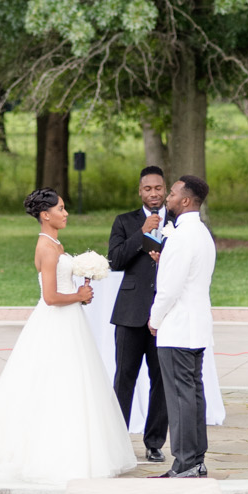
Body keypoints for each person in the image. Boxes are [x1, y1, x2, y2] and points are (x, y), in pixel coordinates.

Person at [0, 188, 136, 485]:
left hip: (69, 320)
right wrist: (77, 294)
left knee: (72, 383)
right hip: (56, 321)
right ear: (45, 214)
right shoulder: (47, 248)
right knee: (53, 383)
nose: (65, 213)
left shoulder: (55, 243)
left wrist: (80, 294)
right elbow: (50, 296)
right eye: (61, 209)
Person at [149, 173, 216, 478]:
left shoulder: (179, 237)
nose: (168, 197)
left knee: (180, 397)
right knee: (193, 395)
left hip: (177, 327)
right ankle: (196, 459)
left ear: (186, 200)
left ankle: (185, 462)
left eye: (173, 193)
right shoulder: (201, 233)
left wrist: (154, 319)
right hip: (197, 325)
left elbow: (169, 288)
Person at [106, 166, 170, 463]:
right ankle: (116, 441)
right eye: (148, 189)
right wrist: (141, 233)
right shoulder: (124, 221)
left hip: (166, 314)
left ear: (165, 189)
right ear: (140, 191)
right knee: (124, 377)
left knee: (161, 380)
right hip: (130, 313)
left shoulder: (181, 223)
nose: (154, 194)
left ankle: (154, 442)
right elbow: (115, 260)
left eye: (158, 188)